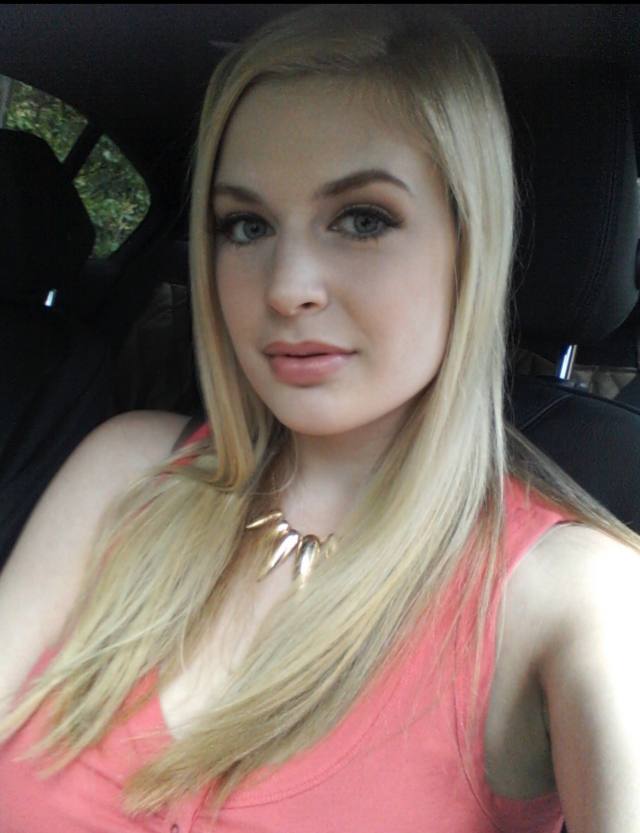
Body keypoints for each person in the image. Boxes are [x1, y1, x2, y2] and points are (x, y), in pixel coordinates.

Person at [1, 5, 639, 832]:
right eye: (247, 226)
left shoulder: (575, 596)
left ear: (471, 245)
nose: (286, 286)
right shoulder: (124, 471)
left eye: (363, 219)